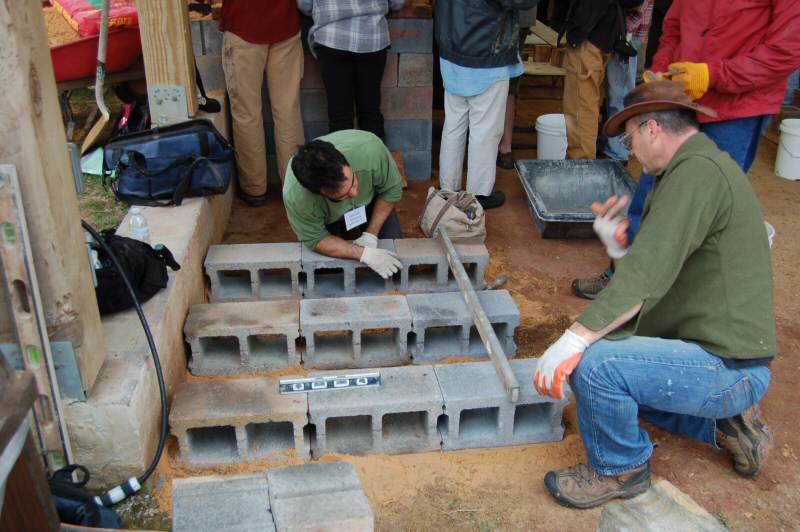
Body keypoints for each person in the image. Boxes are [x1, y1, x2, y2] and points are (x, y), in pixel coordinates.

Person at [536, 81, 776, 509]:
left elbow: (647, 279)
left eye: (629, 139)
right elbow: (659, 273)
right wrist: (617, 249)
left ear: (651, 129)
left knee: (595, 366)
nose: (631, 150)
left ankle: (619, 468)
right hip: (718, 350)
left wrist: (574, 338)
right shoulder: (690, 169)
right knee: (610, 377)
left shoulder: (695, 174)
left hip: (727, 364)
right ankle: (724, 424)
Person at [571, 0, 800, 299]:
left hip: (737, 108)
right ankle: (624, 277)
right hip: (681, 99)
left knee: (706, 204)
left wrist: (712, 76)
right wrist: (662, 71)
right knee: (652, 187)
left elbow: (786, 50)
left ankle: (679, 299)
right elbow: (674, 26)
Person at [436, 0, 540, 210]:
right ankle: (478, 194)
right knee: (485, 131)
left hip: (452, 49)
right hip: (484, 52)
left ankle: (448, 189)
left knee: (454, 125)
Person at [283, 129, 404, 278]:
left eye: (353, 182)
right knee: (325, 272)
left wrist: (371, 234)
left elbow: (391, 190)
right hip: (327, 218)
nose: (354, 193)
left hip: (371, 202)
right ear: (318, 193)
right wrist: (364, 254)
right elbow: (316, 238)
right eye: (343, 195)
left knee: (394, 260)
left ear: (344, 160)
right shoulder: (297, 196)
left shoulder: (371, 151)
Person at [219, 0, 305, 206]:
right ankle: (294, 187)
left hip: (243, 25)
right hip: (286, 25)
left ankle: (254, 189)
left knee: (247, 115)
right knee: (288, 112)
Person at [298, 0, 405, 140]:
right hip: (372, 37)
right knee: (370, 113)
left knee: (339, 117)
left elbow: (304, 5)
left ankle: (340, 161)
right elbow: (398, 3)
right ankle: (374, 161)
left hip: (332, 37)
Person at [561, 0, 642, 160]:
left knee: (581, 108)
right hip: (601, 33)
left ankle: (581, 168)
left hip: (590, 34)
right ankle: (583, 164)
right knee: (587, 105)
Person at [602, 0, 654, 161]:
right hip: (626, 37)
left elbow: (636, 14)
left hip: (626, 39)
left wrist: (610, 27)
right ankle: (616, 147)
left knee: (620, 97)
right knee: (618, 95)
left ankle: (618, 152)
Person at [497, 7, 538, 170]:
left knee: (495, 79)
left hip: (493, 15)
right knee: (509, 82)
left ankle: (495, 145)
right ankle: (505, 147)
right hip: (520, 13)